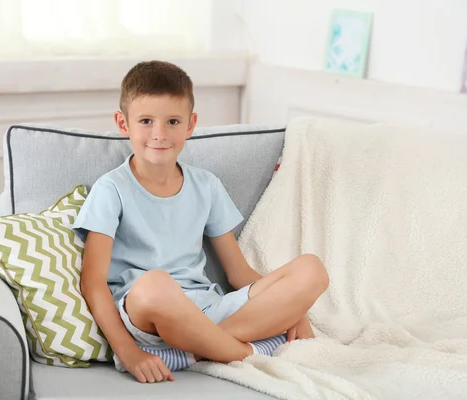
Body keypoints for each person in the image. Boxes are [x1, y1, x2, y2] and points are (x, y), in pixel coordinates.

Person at [73, 60, 329, 384]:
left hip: (209, 307)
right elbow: (92, 283)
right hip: (147, 309)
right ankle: (247, 354)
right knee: (155, 283)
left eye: (173, 122)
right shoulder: (111, 189)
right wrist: (130, 353)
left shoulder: (206, 186)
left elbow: (238, 273)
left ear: (191, 125)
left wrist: (295, 308)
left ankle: (196, 351)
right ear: (123, 123)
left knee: (312, 269)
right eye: (146, 121)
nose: (159, 134)